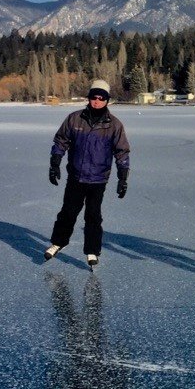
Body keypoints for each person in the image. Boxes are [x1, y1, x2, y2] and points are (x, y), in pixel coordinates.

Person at [44, 79, 130, 268]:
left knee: (93, 215)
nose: (97, 101)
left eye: (102, 98)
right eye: (94, 97)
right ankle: (58, 242)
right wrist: (54, 163)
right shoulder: (75, 118)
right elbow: (61, 141)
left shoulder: (114, 125)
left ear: (107, 100)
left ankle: (92, 250)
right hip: (76, 175)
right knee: (68, 212)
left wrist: (123, 177)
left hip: (98, 179)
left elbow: (122, 151)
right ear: (89, 98)